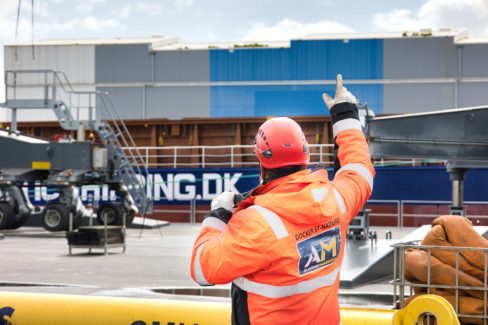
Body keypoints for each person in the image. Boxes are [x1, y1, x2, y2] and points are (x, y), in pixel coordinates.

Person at [190, 74, 375, 325]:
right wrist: (346, 115)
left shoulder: (256, 224)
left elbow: (203, 270)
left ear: (262, 163)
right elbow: (359, 169)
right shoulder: (336, 201)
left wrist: (218, 216)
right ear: (305, 155)